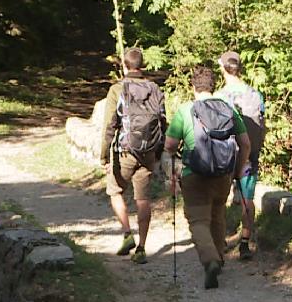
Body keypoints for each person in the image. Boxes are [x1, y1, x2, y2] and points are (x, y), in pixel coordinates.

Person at [164, 65, 250, 289]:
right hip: (223, 173)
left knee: (198, 220)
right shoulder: (229, 108)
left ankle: (210, 260)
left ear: (193, 87)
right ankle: (220, 258)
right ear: (214, 86)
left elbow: (170, 146)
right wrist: (238, 171)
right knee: (218, 214)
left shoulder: (185, 110)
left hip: (195, 174)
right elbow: (245, 143)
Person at [100, 49, 167, 264]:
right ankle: (142, 247)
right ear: (143, 65)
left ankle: (127, 233)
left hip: (125, 152)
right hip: (148, 152)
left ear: (125, 66)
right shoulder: (155, 88)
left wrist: (104, 157)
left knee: (115, 190)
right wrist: (158, 152)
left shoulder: (117, 89)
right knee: (143, 199)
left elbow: (110, 125)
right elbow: (163, 122)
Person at [216, 50, 266, 261]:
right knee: (248, 199)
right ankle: (245, 242)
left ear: (222, 68)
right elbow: (262, 125)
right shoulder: (255, 94)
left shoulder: (218, 97)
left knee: (218, 200)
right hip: (248, 157)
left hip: (224, 157)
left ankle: (219, 242)